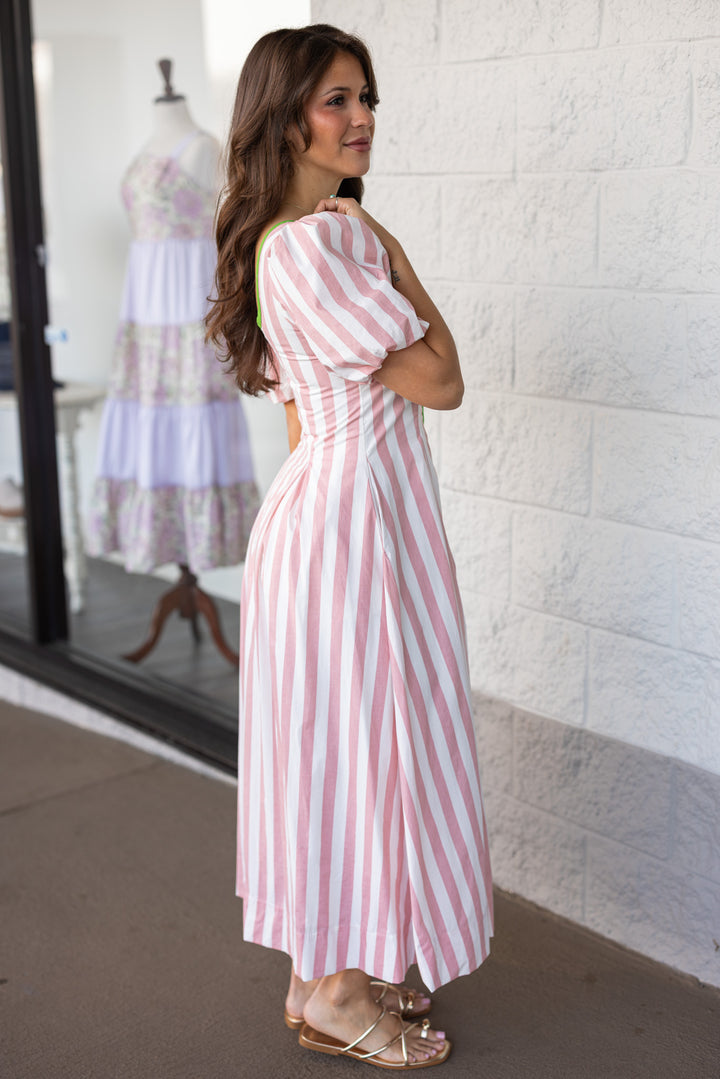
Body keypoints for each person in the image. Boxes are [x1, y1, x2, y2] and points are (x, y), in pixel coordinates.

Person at [207, 24, 493, 1070]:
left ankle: (321, 976)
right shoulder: (327, 243)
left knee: (332, 753)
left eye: (366, 95)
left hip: (322, 515)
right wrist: (404, 260)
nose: (362, 115)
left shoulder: (281, 242)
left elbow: (301, 421)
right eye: (338, 98)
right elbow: (442, 382)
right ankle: (334, 991)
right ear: (287, 116)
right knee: (367, 747)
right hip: (354, 530)